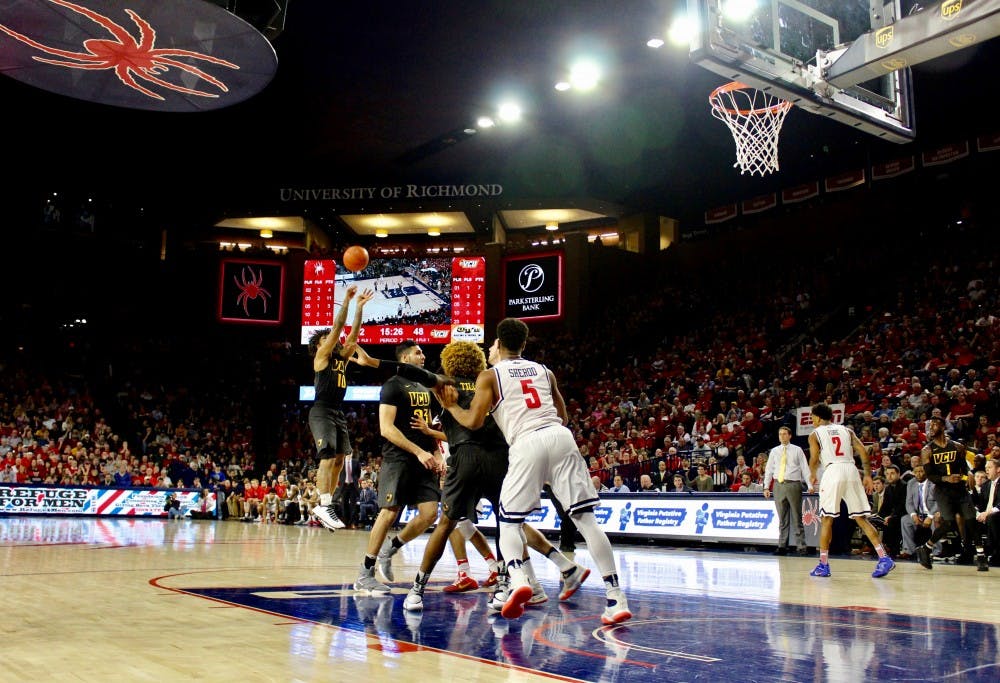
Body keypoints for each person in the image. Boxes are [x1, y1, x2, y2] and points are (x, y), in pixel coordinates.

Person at [435, 318, 630, 625]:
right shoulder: (544, 370)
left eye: (491, 344)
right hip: (560, 437)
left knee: (510, 522)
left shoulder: (489, 375)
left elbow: (472, 422)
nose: (489, 348)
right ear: (524, 344)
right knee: (586, 521)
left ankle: (518, 578)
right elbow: (563, 415)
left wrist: (450, 408)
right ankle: (615, 598)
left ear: (498, 343)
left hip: (526, 442)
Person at [394, 341, 576, 613]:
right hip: (500, 457)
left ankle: (417, 590)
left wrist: (375, 363)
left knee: (445, 525)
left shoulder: (445, 383)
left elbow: (418, 376)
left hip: (466, 457)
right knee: (508, 524)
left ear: (450, 360)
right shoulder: (493, 380)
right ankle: (504, 585)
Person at [351, 340, 446, 594]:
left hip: (424, 457)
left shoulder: (425, 387)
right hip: (399, 458)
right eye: (418, 352)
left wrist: (437, 454)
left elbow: (430, 429)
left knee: (429, 514)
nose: (423, 355)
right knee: (389, 512)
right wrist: (418, 451)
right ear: (405, 359)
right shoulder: (392, 386)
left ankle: (390, 549)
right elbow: (386, 428)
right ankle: (364, 573)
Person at [307, 285, 375, 531]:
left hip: (337, 411)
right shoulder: (321, 357)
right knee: (327, 458)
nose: (332, 339)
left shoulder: (341, 359)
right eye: (326, 339)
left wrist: (359, 308)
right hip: (322, 410)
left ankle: (329, 504)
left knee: (338, 460)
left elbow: (353, 338)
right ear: (320, 345)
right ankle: (323, 505)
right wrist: (346, 302)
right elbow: (337, 330)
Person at [807, 403, 895, 578]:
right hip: (851, 470)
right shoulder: (847, 431)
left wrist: (812, 474)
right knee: (861, 518)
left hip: (833, 471)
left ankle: (823, 564)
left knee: (826, 519)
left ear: (817, 417)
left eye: (812, 417)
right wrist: (868, 475)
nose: (811, 420)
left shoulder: (815, 434)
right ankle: (884, 558)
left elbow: (815, 458)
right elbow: (863, 451)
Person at [916, 415, 978, 568]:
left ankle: (980, 555)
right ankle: (926, 547)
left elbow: (964, 467)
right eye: (930, 426)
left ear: (943, 427)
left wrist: (969, 473)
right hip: (943, 491)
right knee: (949, 523)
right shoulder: (927, 450)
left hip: (960, 490)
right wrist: (946, 478)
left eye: (935, 425)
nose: (931, 428)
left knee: (971, 519)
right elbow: (930, 475)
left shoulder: (957, 446)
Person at [763, 426, 812, 556]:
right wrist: (766, 486)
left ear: (790, 436)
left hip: (793, 484)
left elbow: (804, 468)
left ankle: (801, 546)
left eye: (785, 434)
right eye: (780, 434)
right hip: (778, 485)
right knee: (782, 518)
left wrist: (810, 484)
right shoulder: (774, 451)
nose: (782, 436)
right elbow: (769, 469)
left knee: (797, 517)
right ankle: (782, 545)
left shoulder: (797, 450)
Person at [900, 463, 938, 560]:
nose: (918, 474)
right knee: (905, 520)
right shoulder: (911, 483)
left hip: (932, 514)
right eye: (916, 472)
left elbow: (938, 503)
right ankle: (909, 550)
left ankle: (937, 551)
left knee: (936, 521)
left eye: (921, 471)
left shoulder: (933, 483)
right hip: (918, 514)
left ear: (926, 472)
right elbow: (908, 503)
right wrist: (913, 515)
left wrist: (930, 517)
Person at [973, 458, 1000, 566]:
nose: (987, 470)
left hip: (996, 515)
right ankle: (968, 551)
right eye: (986, 468)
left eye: (989, 467)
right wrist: (978, 513)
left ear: (998, 469)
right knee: (969, 518)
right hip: (986, 515)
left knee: (992, 518)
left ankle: (996, 553)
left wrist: (987, 513)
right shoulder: (986, 485)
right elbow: (980, 505)